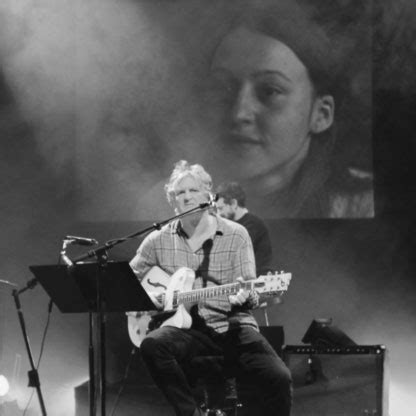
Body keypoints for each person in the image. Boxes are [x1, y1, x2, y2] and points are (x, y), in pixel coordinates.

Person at [130, 160, 292, 416]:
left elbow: (251, 290)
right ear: (172, 201)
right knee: (152, 344)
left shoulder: (236, 234)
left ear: (208, 195)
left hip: (232, 325)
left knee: (279, 377)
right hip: (183, 330)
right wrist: (149, 298)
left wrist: (245, 296)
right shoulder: (157, 240)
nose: (186, 197)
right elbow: (127, 282)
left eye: (193, 190)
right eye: (179, 193)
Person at [201, 1, 374, 218]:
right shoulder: (171, 199)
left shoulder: (361, 205)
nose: (239, 114)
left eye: (270, 91)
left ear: (321, 114)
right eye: (223, 87)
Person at [215, 181, 272, 276]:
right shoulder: (229, 225)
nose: (218, 214)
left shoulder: (253, 225)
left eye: (221, 208)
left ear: (233, 203)